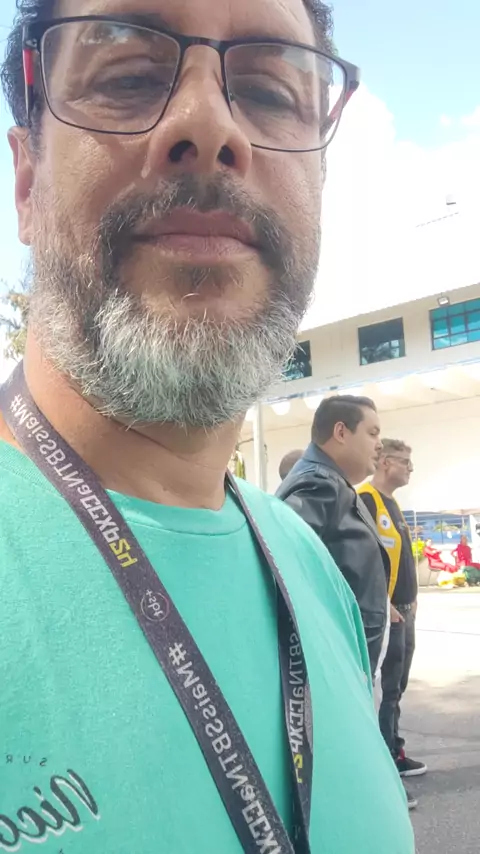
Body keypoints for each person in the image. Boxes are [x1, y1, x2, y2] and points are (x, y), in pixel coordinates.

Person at [0, 2, 415, 852]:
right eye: (129, 75)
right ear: (28, 180)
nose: (210, 124)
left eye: (268, 91)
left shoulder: (310, 570)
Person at [276, 395, 390, 677]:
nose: (379, 444)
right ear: (341, 432)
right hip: (336, 665)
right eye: (372, 433)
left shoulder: (331, 483)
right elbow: (279, 562)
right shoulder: (318, 484)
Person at [359, 439, 427, 807]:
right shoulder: (366, 500)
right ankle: (384, 768)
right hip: (388, 614)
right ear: (385, 462)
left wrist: (410, 596)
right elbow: (364, 560)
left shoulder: (392, 503)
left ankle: (395, 750)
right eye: (405, 462)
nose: (410, 469)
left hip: (404, 610)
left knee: (396, 688)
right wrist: (384, 605)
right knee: (385, 691)